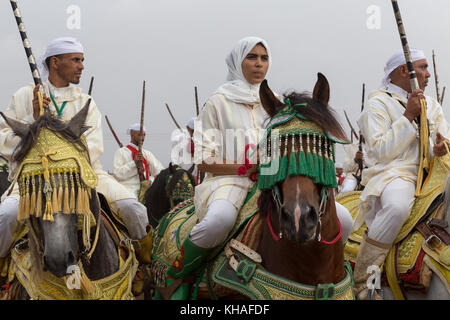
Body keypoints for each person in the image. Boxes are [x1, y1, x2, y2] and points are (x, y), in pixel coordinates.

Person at [161, 36, 354, 299]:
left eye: (264, 58)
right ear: (237, 62)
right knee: (219, 220)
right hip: (228, 181)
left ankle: (332, 276)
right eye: (251, 57)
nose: (258, 64)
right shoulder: (218, 101)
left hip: (272, 181)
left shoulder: (278, 104)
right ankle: (179, 274)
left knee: (344, 219)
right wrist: (245, 168)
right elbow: (203, 158)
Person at [0, 38, 152, 269]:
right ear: (55, 62)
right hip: (32, 179)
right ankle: (2, 269)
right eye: (76, 60)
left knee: (134, 209)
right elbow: (5, 143)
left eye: (82, 60)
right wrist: (33, 119)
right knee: (7, 215)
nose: (81, 66)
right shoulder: (23, 96)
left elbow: (92, 147)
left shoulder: (85, 101)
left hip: (85, 177)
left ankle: (143, 266)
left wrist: (59, 155)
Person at [354, 48, 450, 300]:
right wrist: (408, 115)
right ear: (402, 71)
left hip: (433, 174)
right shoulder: (378, 102)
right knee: (397, 207)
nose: (427, 74)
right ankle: (365, 281)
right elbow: (379, 152)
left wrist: (440, 147)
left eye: (428, 68)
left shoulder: (433, 105)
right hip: (395, 174)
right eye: (422, 68)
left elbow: (441, 140)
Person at [113, 123, 164, 199]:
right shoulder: (121, 152)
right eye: (140, 135)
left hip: (147, 192)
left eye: (144, 135)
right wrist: (134, 163)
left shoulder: (147, 154)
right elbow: (117, 175)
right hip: (128, 193)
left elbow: (159, 172)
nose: (142, 138)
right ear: (132, 135)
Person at [170, 116, 200, 182]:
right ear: (187, 128)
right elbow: (174, 160)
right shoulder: (179, 140)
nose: (194, 133)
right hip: (181, 177)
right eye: (193, 130)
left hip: (197, 177)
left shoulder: (201, 142)